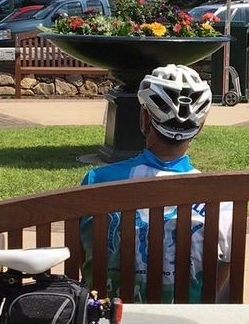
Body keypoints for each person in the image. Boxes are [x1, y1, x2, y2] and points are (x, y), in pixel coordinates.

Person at [79, 64, 231, 303]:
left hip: (109, 318)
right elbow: (225, 270)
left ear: (145, 118)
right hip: (184, 320)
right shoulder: (218, 197)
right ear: (200, 127)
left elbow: (82, 253)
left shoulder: (97, 182)